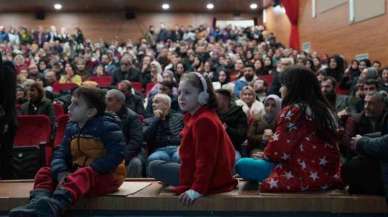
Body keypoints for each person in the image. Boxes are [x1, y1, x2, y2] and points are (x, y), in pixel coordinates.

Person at [9, 87, 126, 217]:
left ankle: (56, 206)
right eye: (70, 102)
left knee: (84, 173)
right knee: (45, 171)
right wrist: (61, 172)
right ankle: (37, 203)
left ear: (90, 112)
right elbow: (60, 152)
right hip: (78, 175)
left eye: (76, 104)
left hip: (106, 177)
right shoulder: (71, 127)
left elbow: (116, 155)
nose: (69, 107)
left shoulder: (108, 127)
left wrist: (92, 169)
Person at [236, 66, 342, 192]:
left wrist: (266, 155)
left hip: (303, 173)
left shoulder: (294, 110)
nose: (280, 89)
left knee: (242, 165)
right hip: (326, 172)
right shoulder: (325, 109)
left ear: (293, 88)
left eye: (283, 85)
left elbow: (279, 149)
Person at [149, 72, 237, 206]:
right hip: (203, 171)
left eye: (187, 93)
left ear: (202, 96)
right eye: (179, 93)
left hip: (211, 178)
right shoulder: (198, 115)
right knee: (160, 163)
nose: (181, 97)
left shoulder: (204, 120)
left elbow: (206, 160)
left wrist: (197, 189)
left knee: (154, 166)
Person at [106, 89, 144, 178]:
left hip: (129, 152)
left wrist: (121, 157)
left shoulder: (133, 117)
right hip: (110, 151)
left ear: (120, 102)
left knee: (136, 163)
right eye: (106, 99)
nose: (106, 102)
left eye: (110, 99)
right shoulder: (103, 115)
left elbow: (135, 141)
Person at [144, 93, 183, 164]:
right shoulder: (148, 121)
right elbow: (146, 137)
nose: (153, 105)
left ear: (166, 105)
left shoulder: (179, 118)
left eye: (156, 102)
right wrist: (156, 119)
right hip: (159, 150)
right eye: (152, 102)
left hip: (177, 148)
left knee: (180, 157)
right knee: (153, 159)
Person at [215, 88, 248, 158]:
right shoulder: (213, 113)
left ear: (225, 100)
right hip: (214, 148)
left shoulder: (239, 114)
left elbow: (241, 136)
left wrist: (227, 129)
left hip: (232, 148)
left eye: (217, 99)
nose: (214, 101)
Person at [0, 59, 17, 179]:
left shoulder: (7, 71)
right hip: (7, 118)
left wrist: (5, 120)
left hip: (5, 119)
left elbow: (8, 100)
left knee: (5, 155)